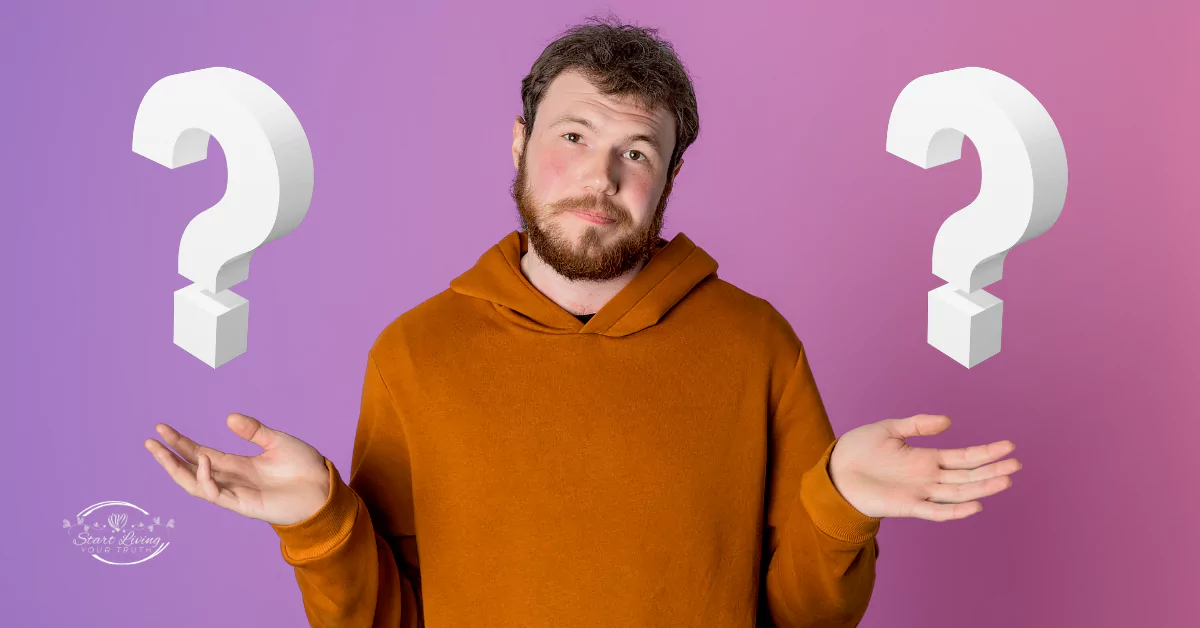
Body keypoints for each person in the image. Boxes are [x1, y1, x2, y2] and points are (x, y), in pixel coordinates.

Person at [144, 12, 1021, 628]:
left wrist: (841, 504)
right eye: (572, 136)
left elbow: (800, 617)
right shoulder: (414, 354)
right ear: (520, 146)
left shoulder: (756, 344)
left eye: (634, 152)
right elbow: (388, 617)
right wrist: (322, 523)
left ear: (666, 181)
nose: (599, 176)